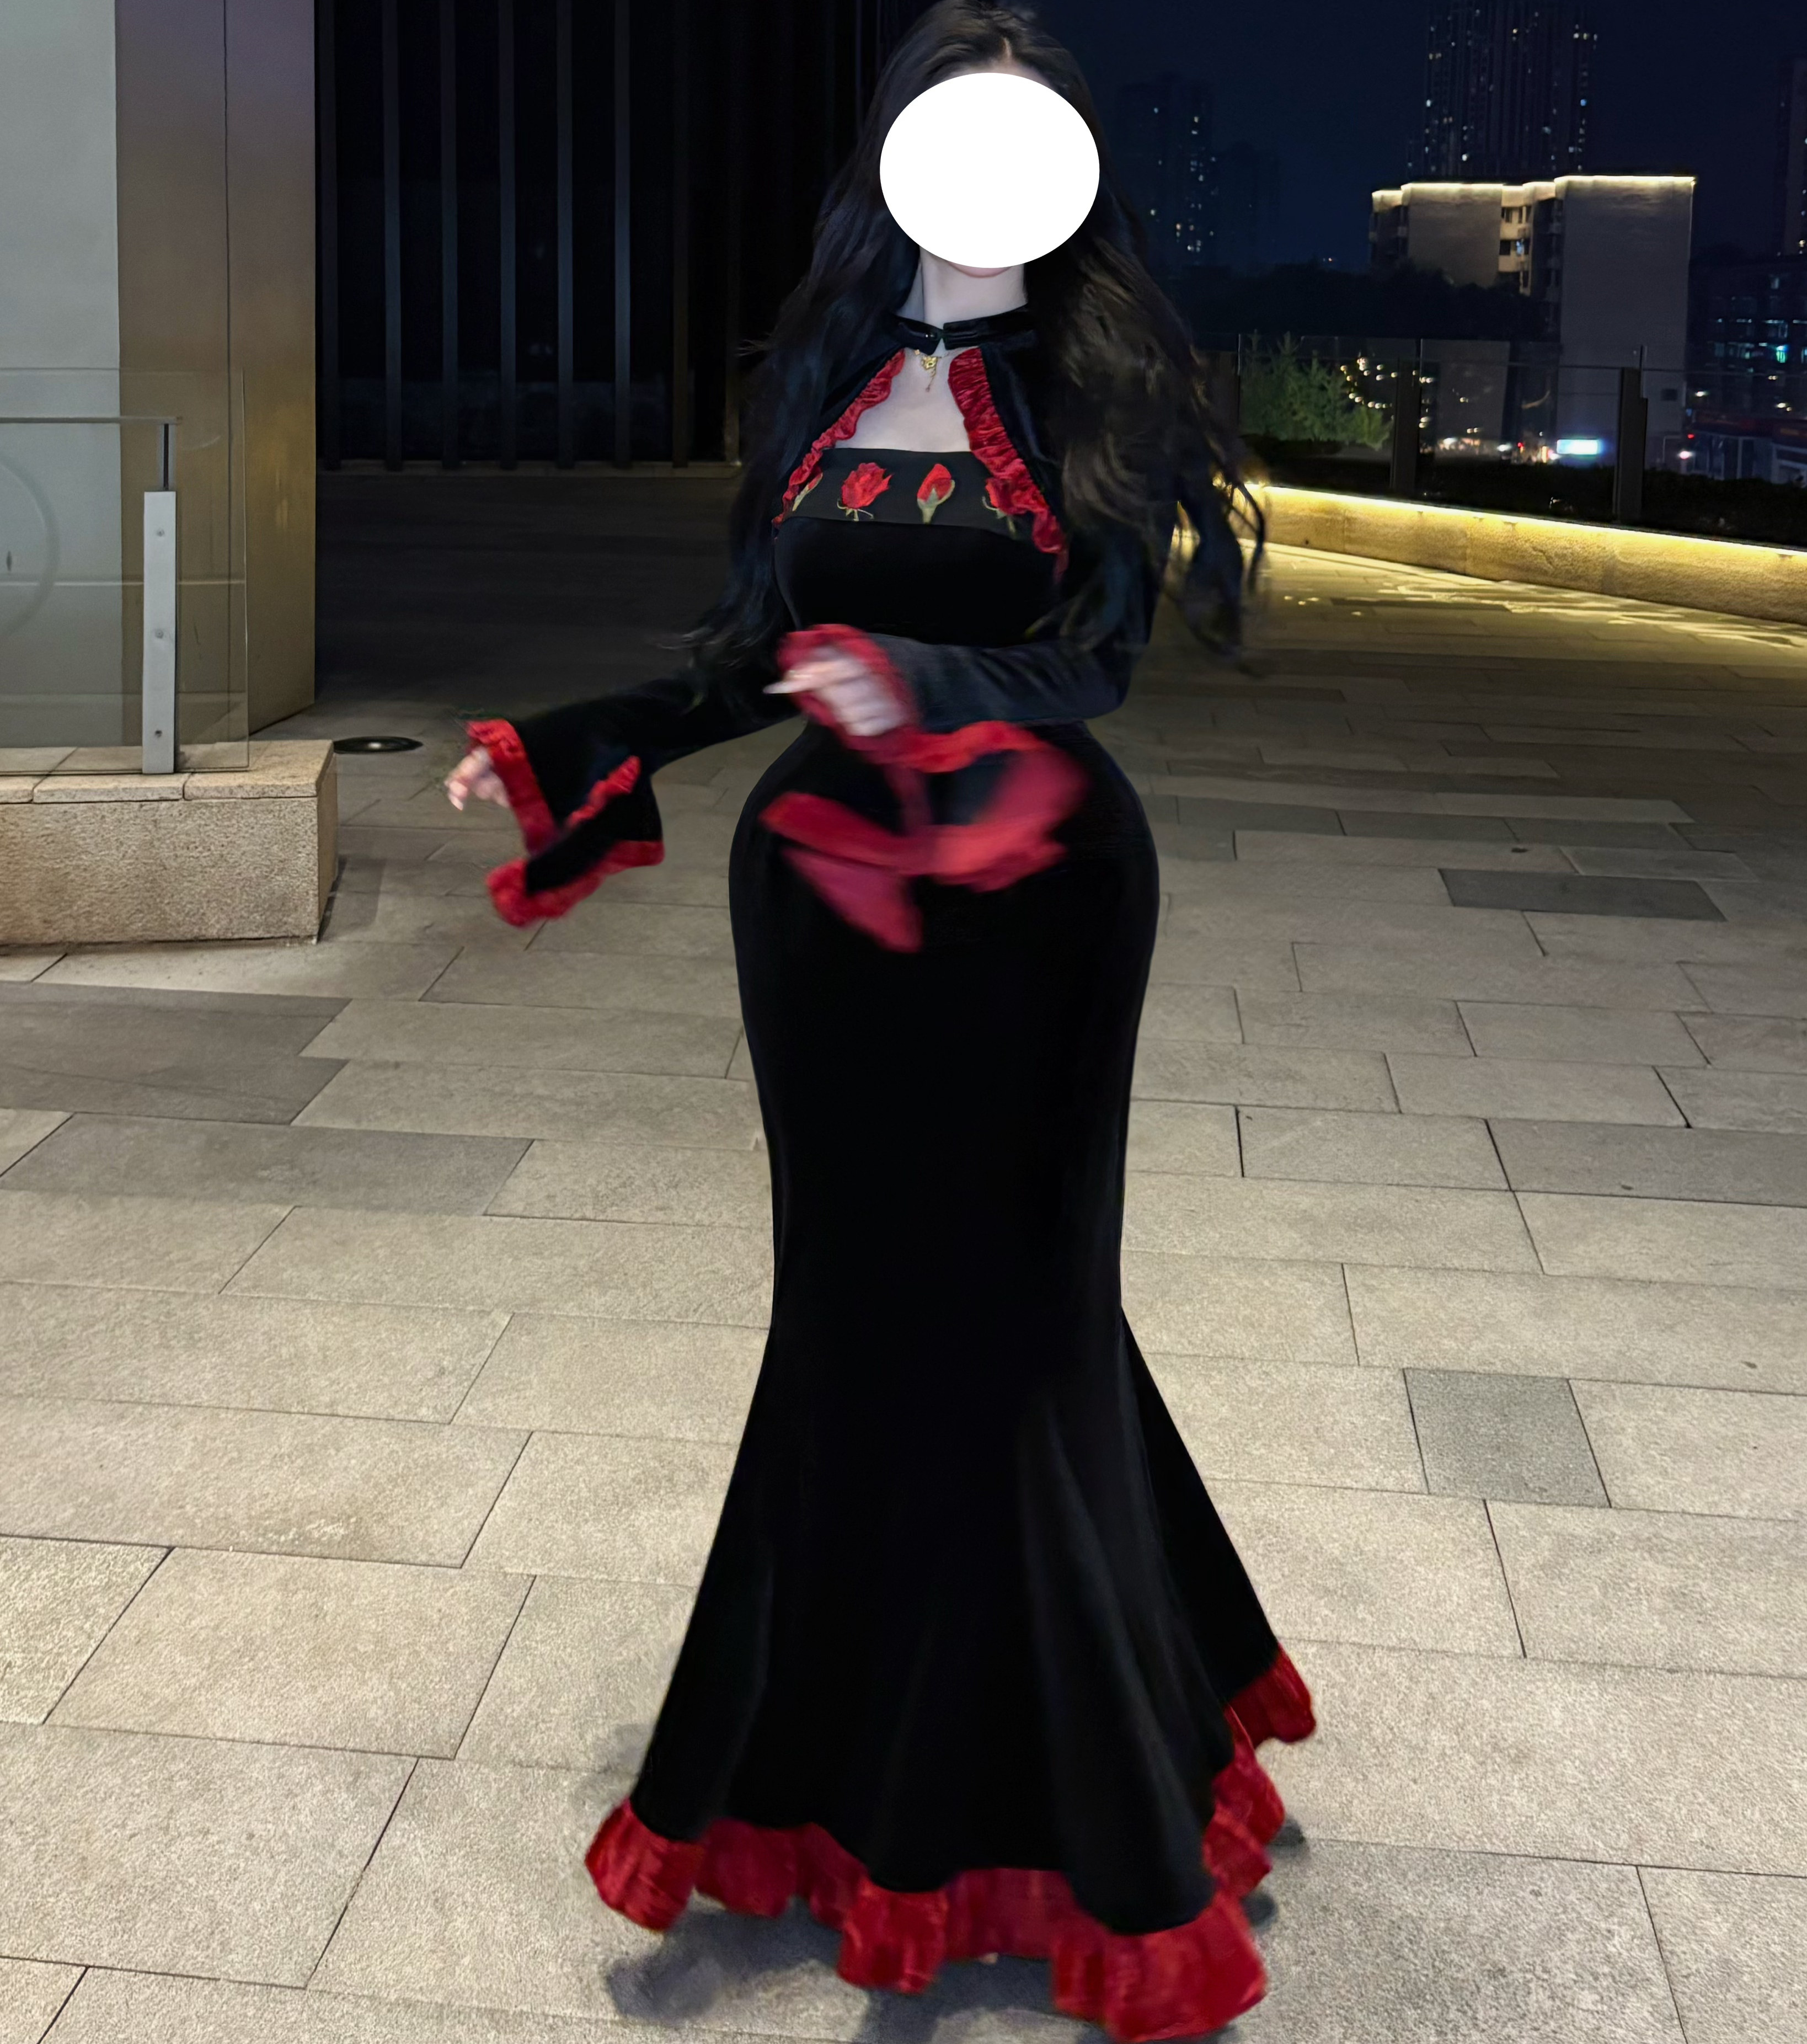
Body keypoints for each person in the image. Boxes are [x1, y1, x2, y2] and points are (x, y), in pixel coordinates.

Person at [445, 6, 1312, 2036]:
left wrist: (917, 682)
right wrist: (567, 741)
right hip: (828, 902)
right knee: (853, 1316)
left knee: (1015, 1317)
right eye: (953, 125)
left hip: (1033, 897)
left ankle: (1072, 1789)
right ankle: (837, 1759)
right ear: (901, 149)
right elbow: (752, 651)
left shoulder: (1097, 383)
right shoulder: (826, 373)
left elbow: (1089, 663)